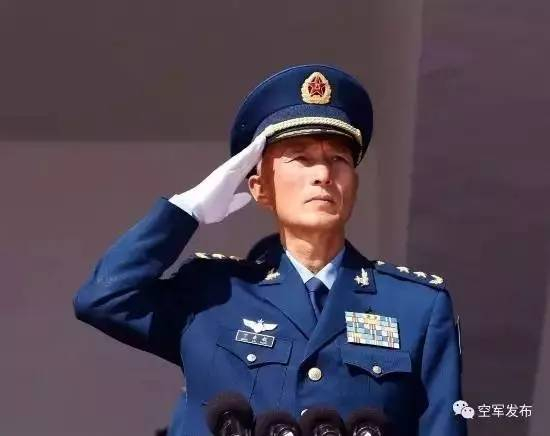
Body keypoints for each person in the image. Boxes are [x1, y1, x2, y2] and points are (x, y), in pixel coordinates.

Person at [73, 64, 467, 436]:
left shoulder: (416, 307)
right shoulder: (212, 293)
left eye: (338, 159)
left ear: (354, 183)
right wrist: (186, 211)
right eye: (301, 159)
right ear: (260, 188)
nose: (323, 174)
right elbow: (104, 299)